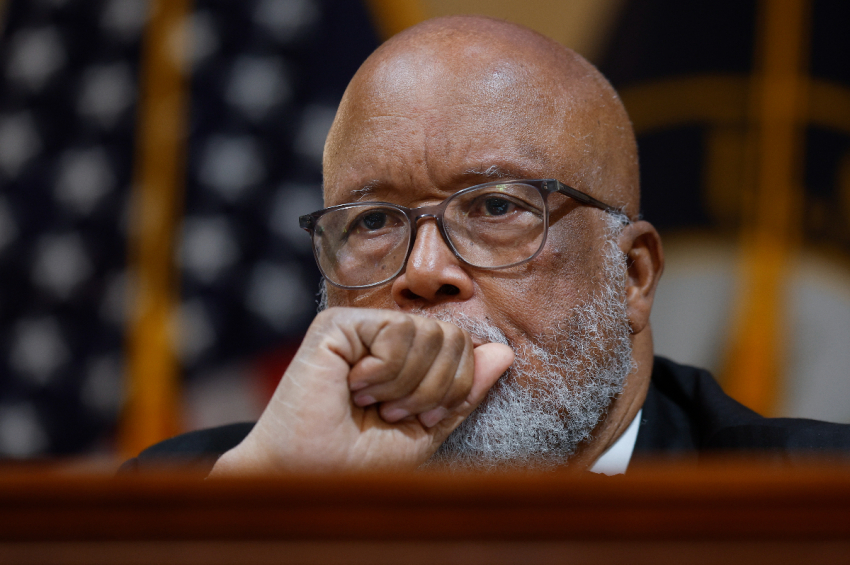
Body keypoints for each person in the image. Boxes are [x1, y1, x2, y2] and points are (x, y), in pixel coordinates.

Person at [123, 15, 850, 476]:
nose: (424, 271)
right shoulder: (197, 495)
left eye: (497, 206)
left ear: (632, 276)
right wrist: (270, 517)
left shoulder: (814, 499)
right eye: (374, 222)